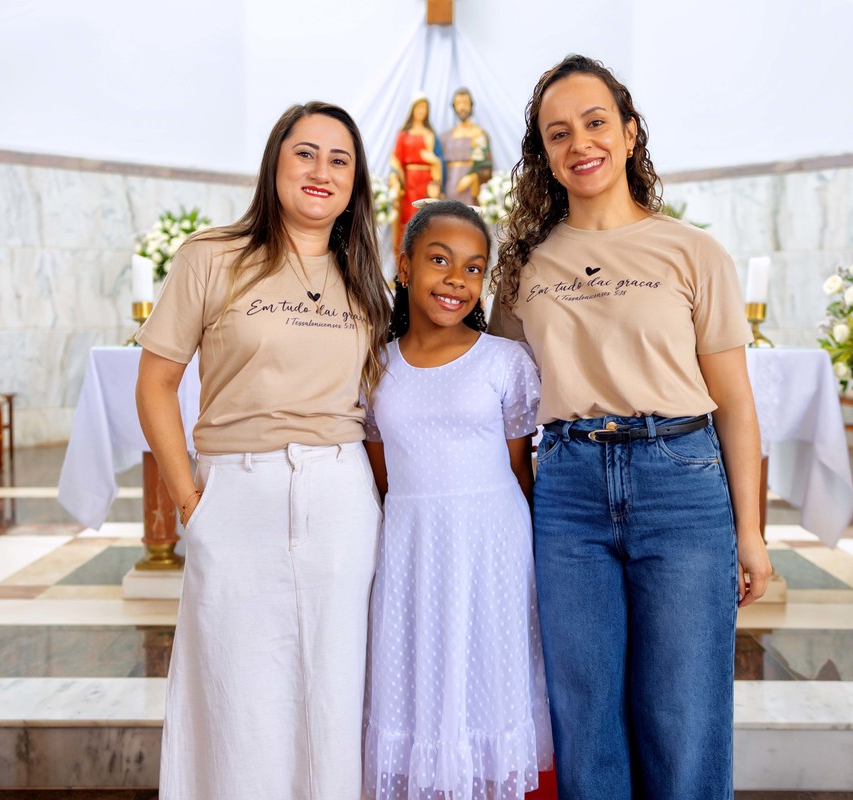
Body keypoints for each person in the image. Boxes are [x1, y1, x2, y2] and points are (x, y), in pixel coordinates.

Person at [489, 55, 772, 800]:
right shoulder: (523, 267)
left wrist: (750, 532)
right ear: (544, 153)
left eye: (595, 123)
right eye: (558, 132)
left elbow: (736, 402)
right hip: (569, 488)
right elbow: (501, 395)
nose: (579, 143)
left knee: (683, 708)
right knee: (584, 711)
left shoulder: (692, 251)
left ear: (629, 132)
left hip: (679, 479)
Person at [134, 101, 390, 799]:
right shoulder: (212, 257)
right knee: (238, 694)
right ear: (275, 162)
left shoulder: (364, 275)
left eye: (339, 160)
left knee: (334, 690)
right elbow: (155, 384)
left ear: (355, 182)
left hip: (339, 497)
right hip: (237, 494)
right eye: (305, 153)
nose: (321, 171)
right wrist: (190, 500)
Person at [362, 200, 553, 800]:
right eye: (439, 260)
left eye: (473, 268)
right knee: (418, 673)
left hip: (492, 547)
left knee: (487, 677)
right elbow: (382, 476)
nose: (456, 280)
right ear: (404, 267)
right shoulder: (376, 368)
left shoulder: (506, 361)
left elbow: (520, 469)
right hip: (413, 547)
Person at [390, 94, 443, 254]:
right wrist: (397, 180)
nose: (421, 111)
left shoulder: (430, 134)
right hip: (409, 182)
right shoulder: (403, 134)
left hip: (426, 181)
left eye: (424, 108)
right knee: (408, 218)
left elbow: (438, 160)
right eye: (419, 107)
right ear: (412, 109)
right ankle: (405, 258)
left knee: (426, 219)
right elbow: (396, 160)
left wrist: (436, 177)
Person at [443, 87, 493, 204]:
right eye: (458, 103)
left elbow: (487, 166)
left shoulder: (480, 134)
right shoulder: (446, 137)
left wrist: (473, 176)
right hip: (450, 187)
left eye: (465, 103)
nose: (462, 107)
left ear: (471, 105)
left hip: (471, 189)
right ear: (454, 106)